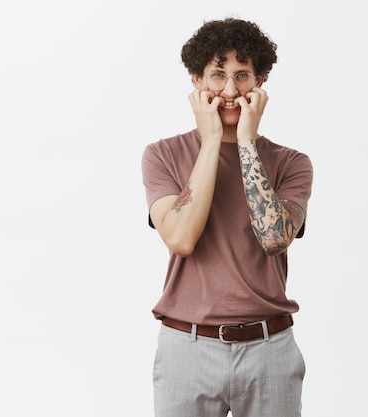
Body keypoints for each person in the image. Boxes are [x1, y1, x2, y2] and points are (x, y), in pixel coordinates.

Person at [141, 18, 313, 417]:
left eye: (243, 76)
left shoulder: (291, 163)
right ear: (196, 80)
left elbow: (274, 238)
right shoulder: (162, 155)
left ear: (261, 81)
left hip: (270, 350)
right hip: (187, 348)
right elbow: (180, 239)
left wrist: (247, 143)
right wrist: (213, 139)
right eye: (218, 75)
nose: (231, 90)